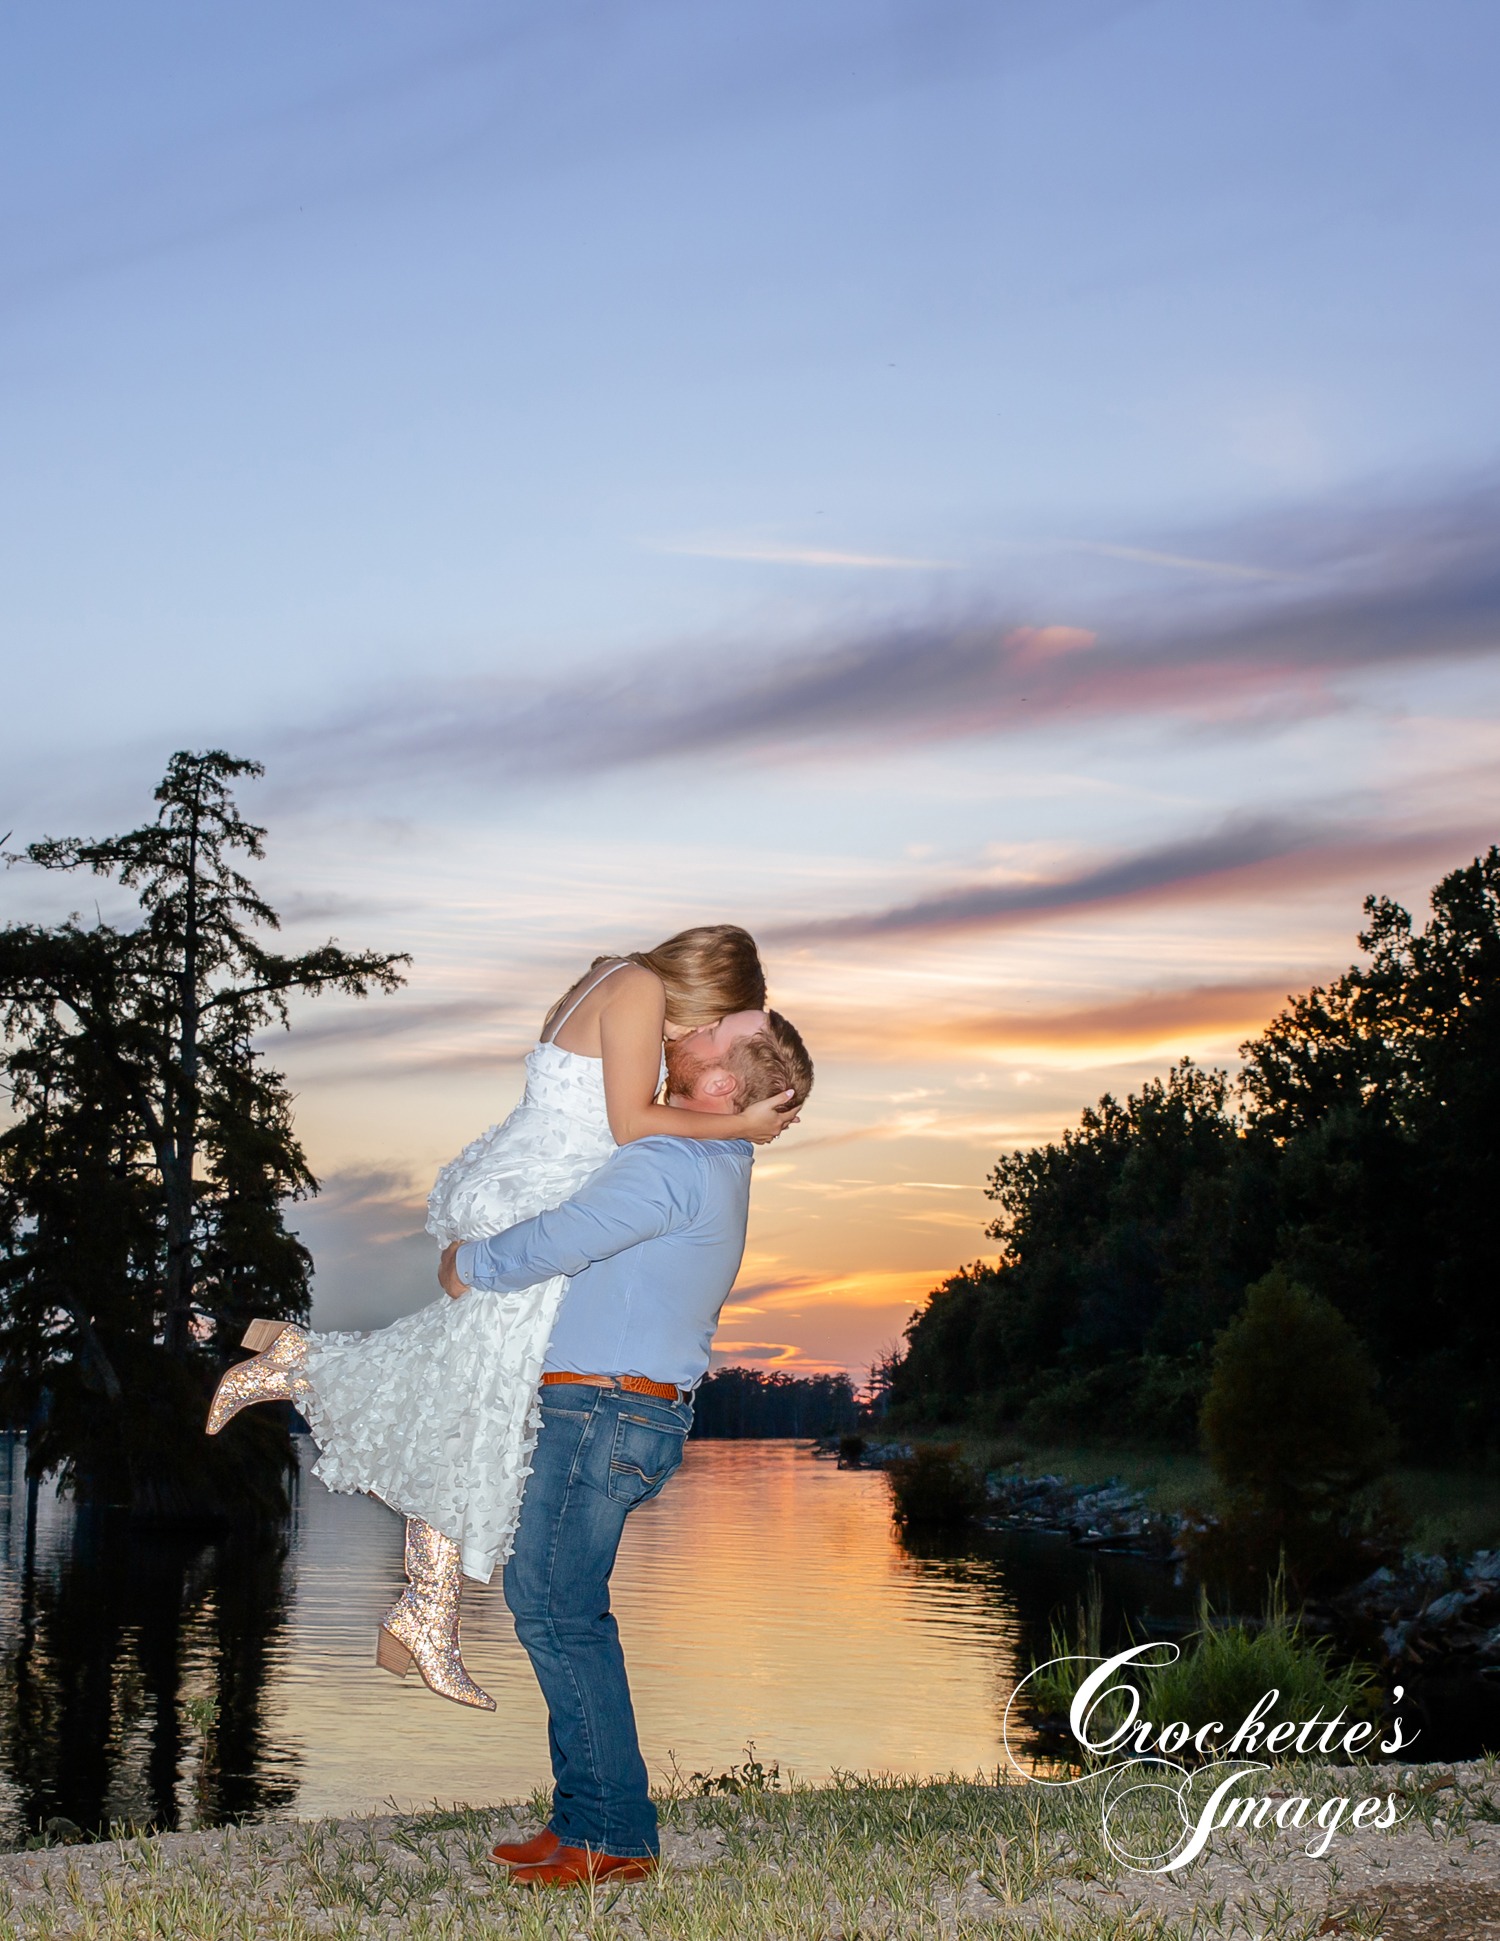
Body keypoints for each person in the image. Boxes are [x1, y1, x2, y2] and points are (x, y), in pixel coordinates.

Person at [204, 926, 796, 1709]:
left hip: (522, 1184)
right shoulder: (640, 989)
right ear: (707, 986)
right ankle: (418, 1598)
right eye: (721, 1018)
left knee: (470, 1395)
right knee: (477, 1408)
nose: (707, 1033)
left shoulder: (619, 979)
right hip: (532, 1198)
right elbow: (628, 1124)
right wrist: (738, 1127)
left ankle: (421, 1599)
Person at [439, 1010, 814, 1888]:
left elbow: (567, 1235)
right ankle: (584, 1817)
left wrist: (469, 1264)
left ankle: (612, 1833)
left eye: (713, 1030)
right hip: (619, 1411)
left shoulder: (678, 1160)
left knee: (558, 1610)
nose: (691, 1024)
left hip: (604, 1409)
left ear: (719, 1083)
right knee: (559, 1606)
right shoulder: (712, 1156)